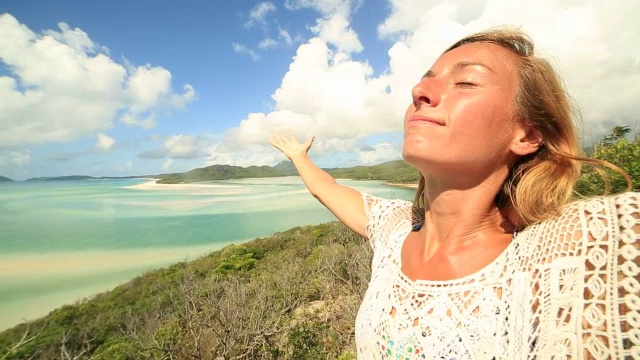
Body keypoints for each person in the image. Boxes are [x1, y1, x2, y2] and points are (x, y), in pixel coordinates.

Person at [269, 28, 639, 359]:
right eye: (424, 81)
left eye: (466, 82)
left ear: (527, 135)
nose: (418, 91)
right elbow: (328, 188)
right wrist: (300, 158)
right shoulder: (394, 231)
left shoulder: (575, 247)